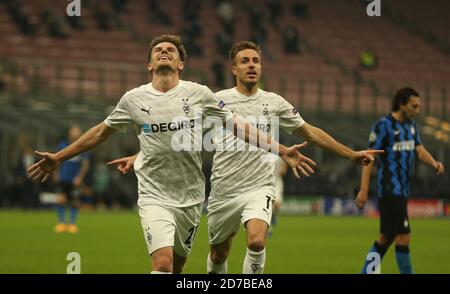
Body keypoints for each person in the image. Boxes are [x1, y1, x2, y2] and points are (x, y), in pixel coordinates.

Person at [27, 34, 317, 274]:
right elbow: (101, 132)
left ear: (181, 64)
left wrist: (281, 150)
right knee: (162, 265)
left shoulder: (199, 94)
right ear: (149, 64)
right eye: (158, 50)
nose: (164, 52)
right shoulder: (133, 99)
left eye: (170, 50)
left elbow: (239, 127)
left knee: (177, 269)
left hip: (190, 198)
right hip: (154, 194)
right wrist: (60, 156)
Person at [108, 40, 382, 274]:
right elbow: (178, 133)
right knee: (218, 256)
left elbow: (310, 133)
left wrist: (350, 154)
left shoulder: (274, 102)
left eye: (256, 61)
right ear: (234, 69)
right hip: (223, 190)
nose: (251, 65)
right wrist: (139, 155)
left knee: (256, 242)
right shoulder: (215, 99)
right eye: (245, 61)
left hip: (259, 186)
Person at [356, 87, 445, 274]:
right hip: (390, 189)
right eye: (414, 106)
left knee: (387, 237)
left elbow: (419, 150)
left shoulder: (410, 126)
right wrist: (363, 189)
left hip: (403, 190)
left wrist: (434, 163)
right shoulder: (384, 125)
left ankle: (366, 273)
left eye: (419, 106)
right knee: (402, 237)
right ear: (402, 104)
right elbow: (368, 157)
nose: (417, 110)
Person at [54, 125, 90, 234]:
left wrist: (80, 177)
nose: (75, 134)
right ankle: (61, 223)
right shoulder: (62, 145)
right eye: (73, 132)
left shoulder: (83, 146)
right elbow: (56, 160)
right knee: (61, 200)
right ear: (69, 133)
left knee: (75, 201)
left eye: (77, 132)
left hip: (75, 180)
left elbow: (85, 164)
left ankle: (72, 224)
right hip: (64, 178)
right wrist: (56, 174)